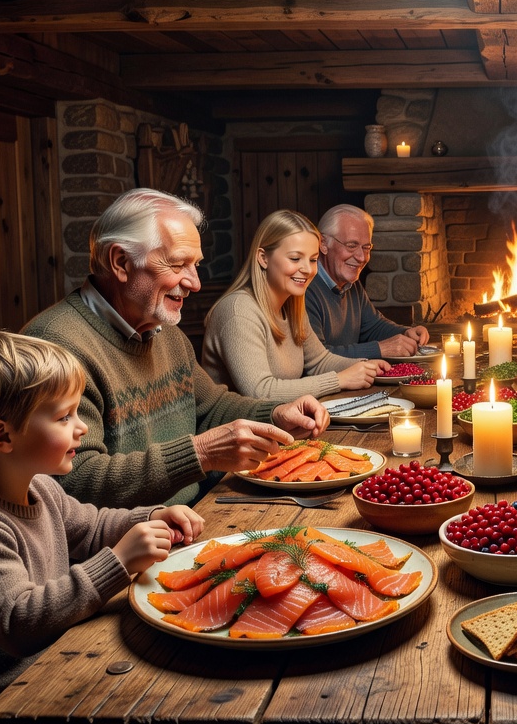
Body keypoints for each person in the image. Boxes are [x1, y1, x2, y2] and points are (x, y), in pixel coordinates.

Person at [0, 331, 204, 724]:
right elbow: (19, 622)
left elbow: (91, 526)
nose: (81, 429)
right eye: (64, 417)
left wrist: (152, 517)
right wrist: (117, 562)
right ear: (2, 436)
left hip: (36, 677)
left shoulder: (39, 487)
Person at [22, 188, 329, 508]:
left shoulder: (162, 330)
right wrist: (200, 453)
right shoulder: (56, 347)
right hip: (129, 541)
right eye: (178, 264)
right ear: (121, 262)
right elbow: (73, 482)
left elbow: (211, 408)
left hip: (199, 509)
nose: (195, 282)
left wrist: (276, 414)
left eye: (195, 264)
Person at [202, 210, 388, 401]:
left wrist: (366, 366)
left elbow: (319, 361)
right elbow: (260, 391)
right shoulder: (238, 311)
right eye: (295, 258)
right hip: (236, 428)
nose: (307, 269)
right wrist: (339, 380)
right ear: (263, 258)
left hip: (276, 423)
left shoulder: (291, 305)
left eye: (313, 260)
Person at [305, 204, 430, 358]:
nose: (361, 257)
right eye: (351, 246)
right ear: (323, 244)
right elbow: (316, 358)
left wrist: (406, 333)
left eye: (366, 248)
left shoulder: (350, 282)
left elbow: (373, 326)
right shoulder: (304, 288)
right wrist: (380, 349)